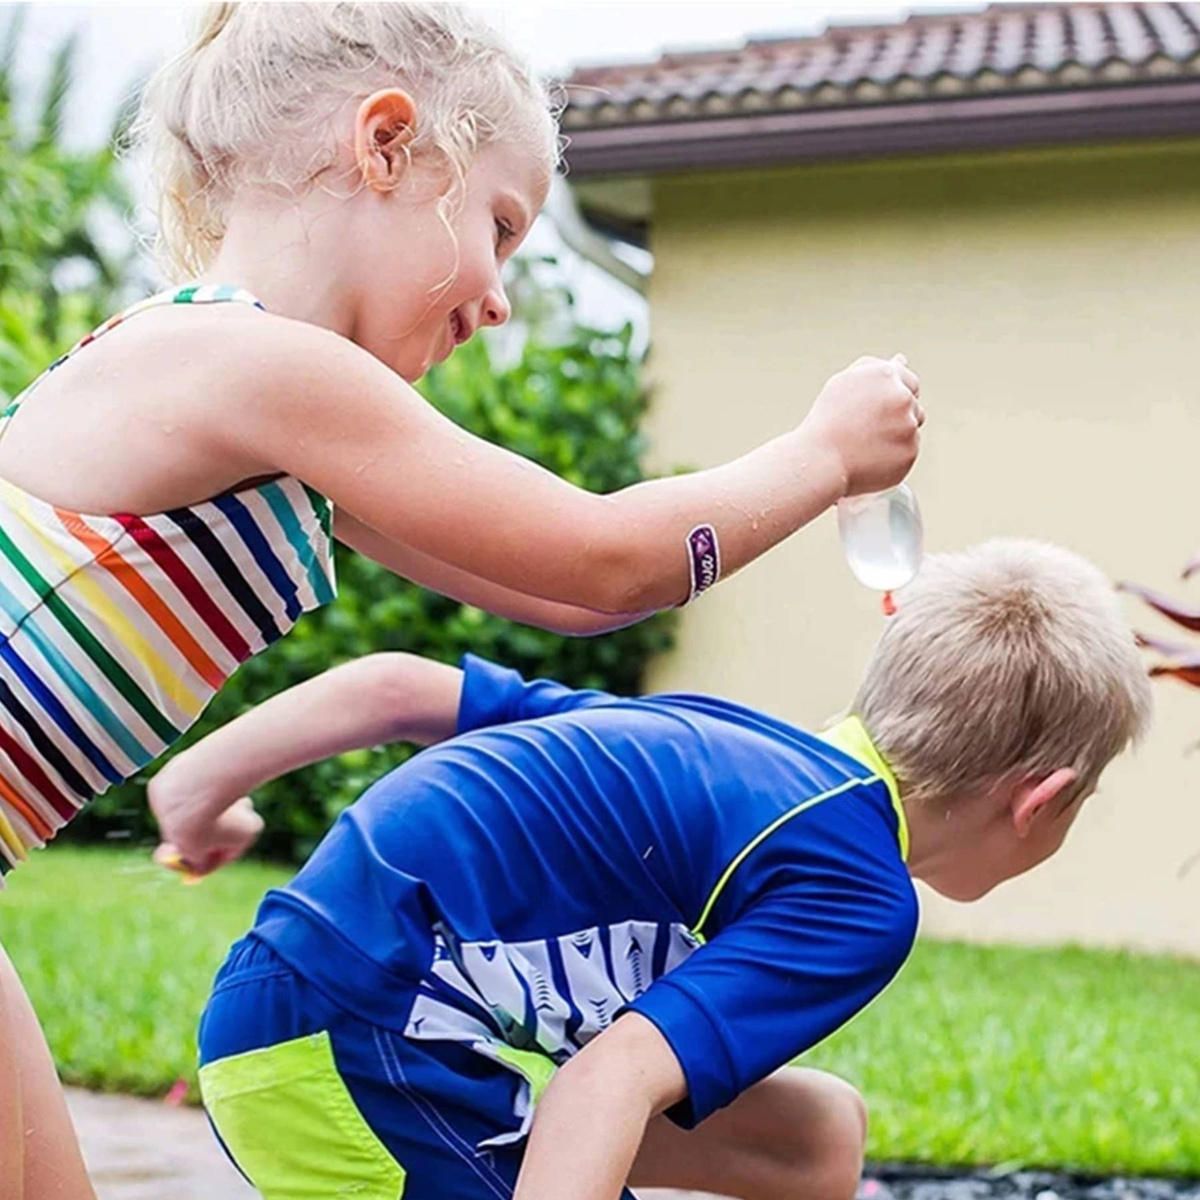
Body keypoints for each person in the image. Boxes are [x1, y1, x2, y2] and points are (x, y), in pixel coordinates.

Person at [0, 5, 924, 1196]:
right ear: (384, 146)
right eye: (499, 226)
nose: (497, 300)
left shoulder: (276, 434)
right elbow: (605, 557)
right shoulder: (252, 366)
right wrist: (824, 453)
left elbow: (576, 601)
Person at [173, 538, 1152, 1200]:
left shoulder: (719, 744)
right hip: (337, 1052)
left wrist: (195, 791)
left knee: (817, 1142)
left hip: (327, 1006)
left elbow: (393, 686)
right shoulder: (860, 894)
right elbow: (603, 1086)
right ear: (1040, 799)